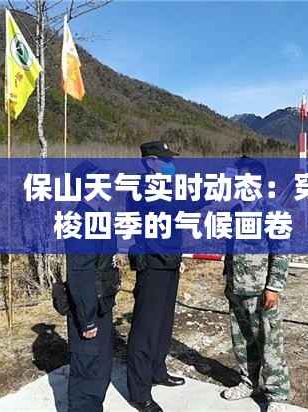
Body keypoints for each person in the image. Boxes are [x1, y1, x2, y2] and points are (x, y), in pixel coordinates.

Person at [222, 156, 290, 412]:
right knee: (242, 341)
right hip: (237, 288)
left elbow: (281, 253)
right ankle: (247, 382)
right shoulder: (235, 211)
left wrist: (274, 287)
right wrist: (228, 279)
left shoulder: (272, 211)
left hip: (261, 292)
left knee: (269, 342)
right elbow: (230, 249)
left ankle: (277, 394)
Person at [126, 141, 186, 412]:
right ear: (151, 162)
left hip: (170, 263)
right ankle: (139, 392)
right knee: (146, 329)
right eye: (166, 161)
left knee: (163, 324)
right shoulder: (140, 189)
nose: (171, 165)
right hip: (152, 264)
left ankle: (157, 371)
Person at [66, 161, 120, 412]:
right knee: (87, 371)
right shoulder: (80, 220)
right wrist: (87, 320)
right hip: (89, 309)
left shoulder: (98, 215)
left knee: (99, 369)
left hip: (101, 304)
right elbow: (80, 274)